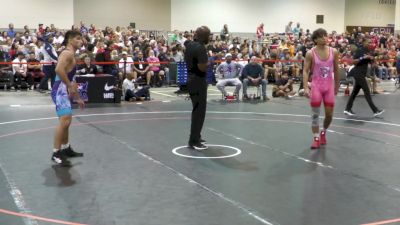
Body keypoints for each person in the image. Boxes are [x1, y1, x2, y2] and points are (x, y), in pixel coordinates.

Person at [51, 30, 85, 166]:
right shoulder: (67, 53)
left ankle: (66, 149)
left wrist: (78, 97)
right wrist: (69, 87)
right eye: (78, 38)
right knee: (65, 121)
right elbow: (58, 69)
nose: (81, 41)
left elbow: (72, 80)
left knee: (66, 121)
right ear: (70, 40)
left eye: (81, 38)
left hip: (63, 89)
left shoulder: (72, 55)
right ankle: (56, 153)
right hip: (60, 90)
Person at [303, 28, 340, 150]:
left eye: (326, 35)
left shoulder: (333, 51)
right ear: (315, 40)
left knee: (329, 115)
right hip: (316, 87)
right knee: (315, 115)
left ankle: (323, 132)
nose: (325, 37)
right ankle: (316, 138)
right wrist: (305, 88)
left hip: (329, 86)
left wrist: (337, 85)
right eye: (322, 36)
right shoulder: (310, 53)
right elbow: (306, 71)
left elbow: (336, 69)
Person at [344, 37, 384, 117]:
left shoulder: (368, 52)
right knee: (367, 92)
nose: (370, 44)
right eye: (368, 42)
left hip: (361, 74)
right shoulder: (359, 50)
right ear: (363, 42)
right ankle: (375, 110)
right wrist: (363, 57)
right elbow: (353, 62)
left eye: (370, 42)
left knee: (354, 93)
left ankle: (347, 109)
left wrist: (374, 60)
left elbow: (373, 64)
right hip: (357, 73)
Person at [184, 26, 210, 150]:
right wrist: (208, 62)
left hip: (190, 79)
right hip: (198, 81)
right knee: (199, 112)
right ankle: (193, 140)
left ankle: (196, 136)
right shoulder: (200, 48)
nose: (209, 38)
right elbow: (202, 67)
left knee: (197, 110)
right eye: (208, 35)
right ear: (204, 36)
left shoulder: (189, 45)